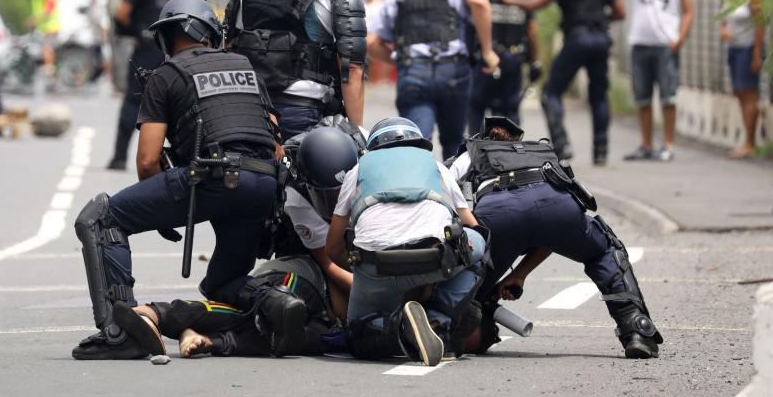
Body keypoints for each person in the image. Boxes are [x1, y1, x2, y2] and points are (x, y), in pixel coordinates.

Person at [72, 0, 306, 360]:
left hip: (210, 179)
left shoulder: (166, 75)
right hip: (263, 185)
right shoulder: (247, 67)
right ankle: (276, 302)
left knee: (101, 218)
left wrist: (162, 208)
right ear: (210, 33)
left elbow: (148, 160)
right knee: (223, 282)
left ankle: (120, 332)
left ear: (166, 39)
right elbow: (275, 144)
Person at [108, 122, 363, 359]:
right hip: (312, 272)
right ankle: (159, 314)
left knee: (303, 335)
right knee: (282, 304)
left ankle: (208, 338)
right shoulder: (296, 195)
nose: (335, 204)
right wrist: (371, 289)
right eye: (327, 196)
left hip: (348, 287)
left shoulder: (368, 167)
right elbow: (329, 262)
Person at [448, 116, 663, 359]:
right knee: (603, 250)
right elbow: (551, 228)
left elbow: (447, 206)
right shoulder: (538, 151)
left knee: (470, 289)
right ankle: (636, 328)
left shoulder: (468, 155)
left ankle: (453, 335)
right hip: (558, 208)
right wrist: (520, 275)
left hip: (498, 215)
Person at [326, 117, 487, 366]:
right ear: (418, 144)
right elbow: (472, 226)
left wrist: (360, 274)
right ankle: (436, 321)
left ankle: (401, 328)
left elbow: (333, 247)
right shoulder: (437, 167)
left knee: (359, 335)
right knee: (478, 242)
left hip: (376, 266)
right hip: (434, 260)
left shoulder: (358, 170)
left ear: (374, 148)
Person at [223, 0, 367, 141]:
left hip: (244, 103)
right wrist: (356, 134)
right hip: (301, 109)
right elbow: (353, 70)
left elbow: (228, 44)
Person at [368, 0, 499, 160]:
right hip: (453, 73)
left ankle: (418, 191)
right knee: (454, 143)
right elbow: (479, 2)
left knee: (415, 143)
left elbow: (372, 42)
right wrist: (488, 52)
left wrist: (401, 59)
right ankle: (454, 190)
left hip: (413, 74)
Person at [499, 0, 626, 165]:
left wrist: (512, 0)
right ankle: (601, 150)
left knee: (551, 92)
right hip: (600, 40)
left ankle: (562, 144)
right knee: (599, 97)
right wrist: (601, 19)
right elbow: (620, 12)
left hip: (577, 40)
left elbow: (537, 4)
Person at [107, 0, 195, 171]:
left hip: (144, 51)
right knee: (175, 106)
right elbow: (196, 2)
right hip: (171, 54)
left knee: (131, 104)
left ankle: (118, 158)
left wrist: (135, 30)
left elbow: (122, 14)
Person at [624, 0, 693, 162]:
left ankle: (668, 144)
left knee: (668, 98)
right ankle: (646, 144)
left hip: (665, 46)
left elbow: (689, 10)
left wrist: (680, 39)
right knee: (642, 98)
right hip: (640, 45)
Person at [469, 0, 540, 135]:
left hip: (485, 63)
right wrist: (535, 61)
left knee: (477, 107)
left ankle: (476, 153)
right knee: (509, 112)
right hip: (514, 61)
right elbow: (532, 30)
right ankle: (510, 155)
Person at [721, 0, 766, 159]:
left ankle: (750, 141)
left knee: (749, 92)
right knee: (739, 92)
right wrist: (723, 30)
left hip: (748, 47)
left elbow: (760, 24)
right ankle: (746, 138)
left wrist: (757, 53)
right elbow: (724, 18)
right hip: (734, 48)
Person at [29, 0, 60, 91]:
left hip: (51, 29)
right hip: (42, 30)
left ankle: (50, 76)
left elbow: (48, 10)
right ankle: (50, 75)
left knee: (47, 50)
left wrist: (35, 19)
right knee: (44, 52)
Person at [84, 0, 109, 83]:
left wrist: (105, 35)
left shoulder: (97, 8)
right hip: (94, 38)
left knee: (101, 57)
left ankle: (105, 76)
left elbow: (101, 23)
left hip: (99, 38)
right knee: (95, 57)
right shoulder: (91, 8)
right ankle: (96, 75)